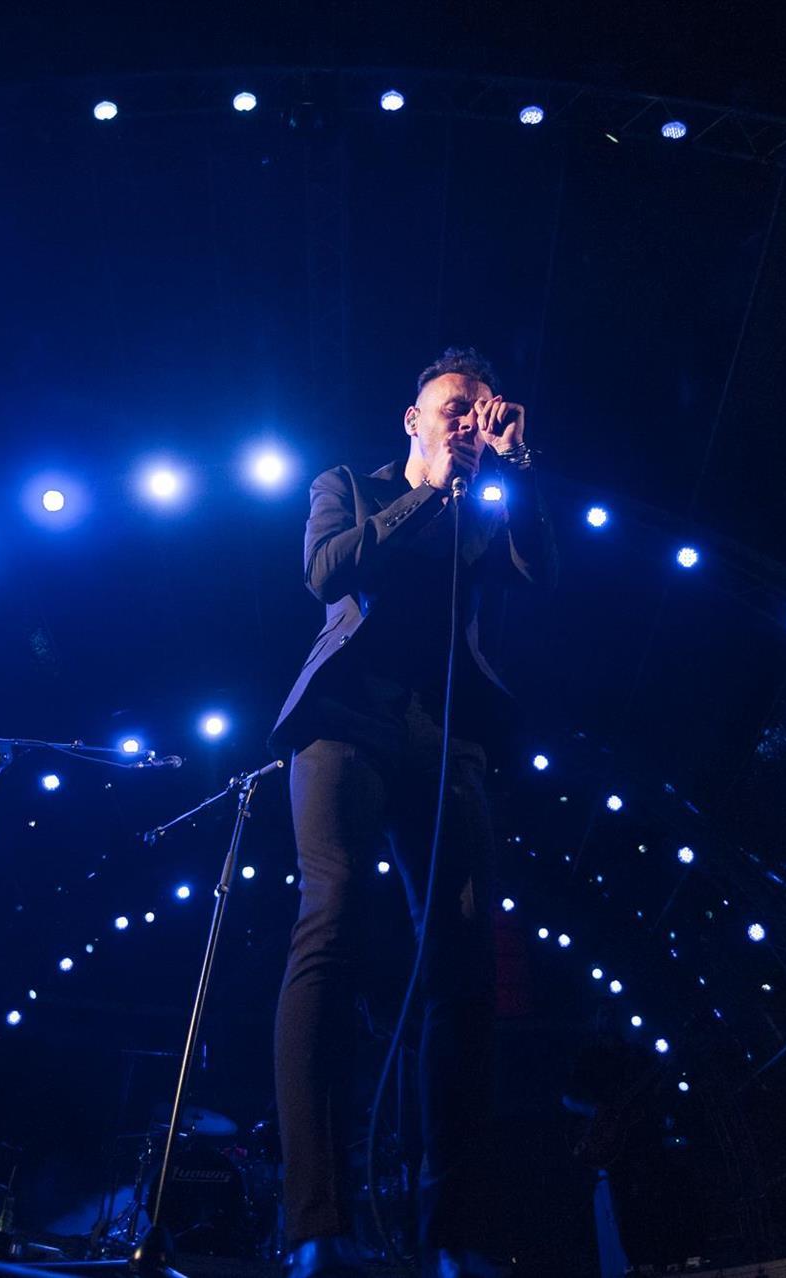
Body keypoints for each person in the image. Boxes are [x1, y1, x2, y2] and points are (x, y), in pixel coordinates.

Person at [268, 347, 557, 1278]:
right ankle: (317, 1223)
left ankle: (456, 1235)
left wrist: (515, 473)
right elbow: (328, 573)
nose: (471, 416)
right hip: (343, 725)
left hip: (444, 738)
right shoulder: (349, 484)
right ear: (414, 418)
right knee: (334, 921)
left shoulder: (489, 503)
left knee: (466, 962)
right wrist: (433, 493)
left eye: (482, 406)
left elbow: (537, 572)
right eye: (454, 405)